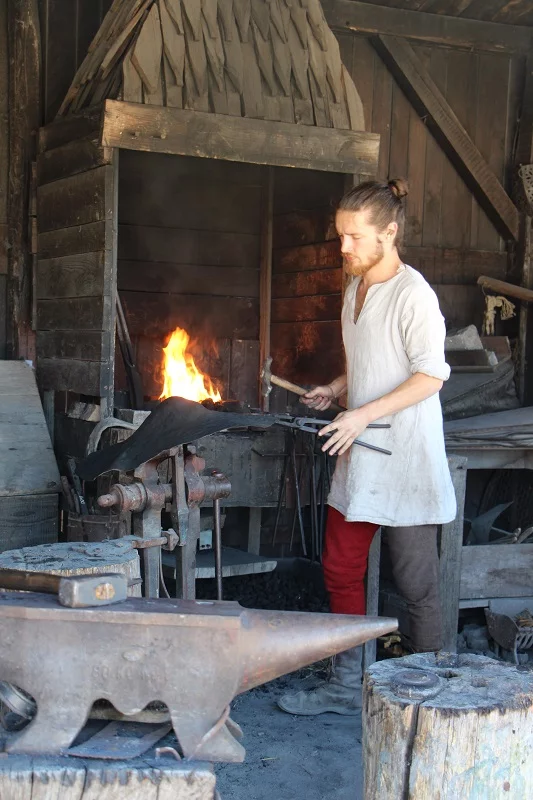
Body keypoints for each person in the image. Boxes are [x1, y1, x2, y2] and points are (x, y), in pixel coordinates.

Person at [278, 178, 456, 717]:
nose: (343, 248)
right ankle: (345, 685)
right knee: (340, 568)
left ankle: (430, 695)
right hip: (361, 450)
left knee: (415, 583)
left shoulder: (414, 295)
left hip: (406, 456)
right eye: (340, 236)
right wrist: (335, 390)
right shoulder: (355, 288)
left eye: (353, 237)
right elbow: (371, 363)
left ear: (389, 233)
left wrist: (360, 415)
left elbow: (431, 376)